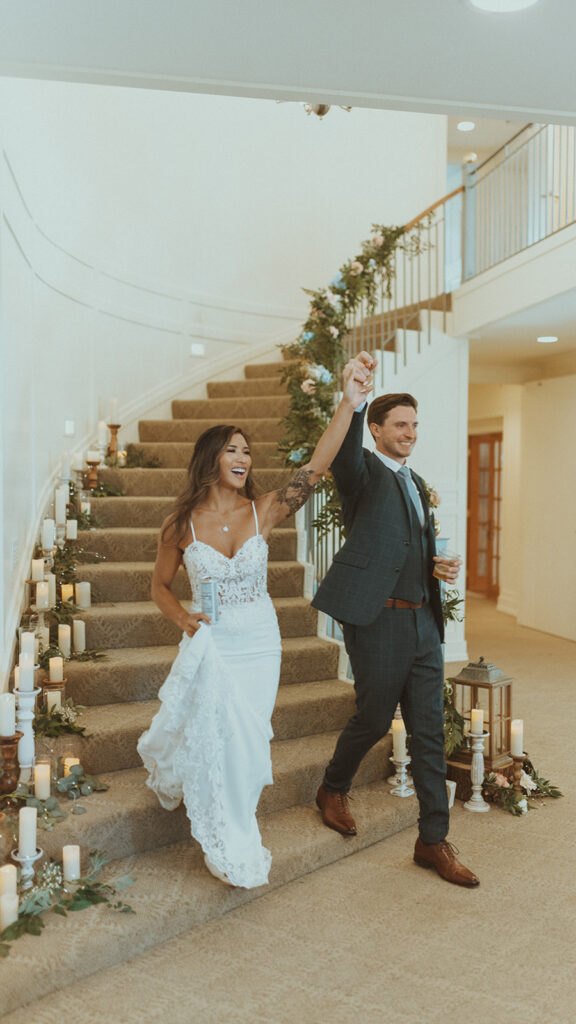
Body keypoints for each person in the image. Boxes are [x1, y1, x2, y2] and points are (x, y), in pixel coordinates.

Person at [138, 354, 372, 889]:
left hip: (260, 642)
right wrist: (183, 618)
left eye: (247, 450)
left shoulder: (264, 509)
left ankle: (237, 825)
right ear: (210, 460)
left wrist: (348, 403)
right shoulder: (180, 523)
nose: (243, 457)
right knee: (219, 738)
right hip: (213, 644)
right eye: (232, 450)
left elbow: (317, 466)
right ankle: (226, 824)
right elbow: (158, 586)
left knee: (249, 739)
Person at [312, 359, 480, 887]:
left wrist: (438, 565)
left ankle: (433, 840)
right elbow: (340, 450)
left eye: (414, 425)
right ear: (379, 430)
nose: (409, 433)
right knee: (374, 717)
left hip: (424, 624)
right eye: (400, 425)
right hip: (377, 620)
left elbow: (407, 545)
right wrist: (354, 401)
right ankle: (332, 786)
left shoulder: (418, 481)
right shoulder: (360, 472)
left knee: (429, 731)